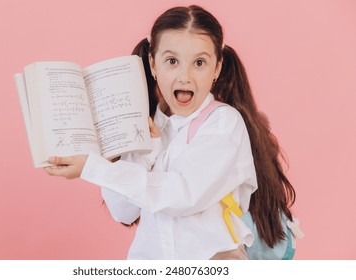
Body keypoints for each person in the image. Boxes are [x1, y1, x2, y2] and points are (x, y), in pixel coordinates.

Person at [44, 5, 296, 260]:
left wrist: (93, 168)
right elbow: (123, 211)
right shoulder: (150, 126)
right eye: (172, 61)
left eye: (199, 63)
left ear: (217, 68)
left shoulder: (223, 124)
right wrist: (145, 152)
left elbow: (182, 195)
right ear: (153, 65)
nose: (184, 76)